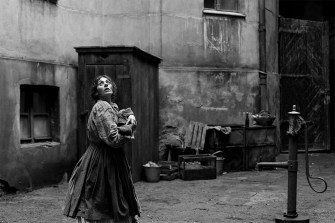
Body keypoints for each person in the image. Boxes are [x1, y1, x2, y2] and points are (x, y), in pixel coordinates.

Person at [63, 75, 140, 223]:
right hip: (102, 161)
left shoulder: (112, 106)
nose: (105, 84)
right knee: (102, 203)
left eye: (108, 82)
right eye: (101, 83)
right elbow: (114, 139)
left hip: (108, 159)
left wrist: (130, 115)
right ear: (96, 92)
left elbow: (119, 114)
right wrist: (131, 128)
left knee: (109, 200)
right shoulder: (101, 107)